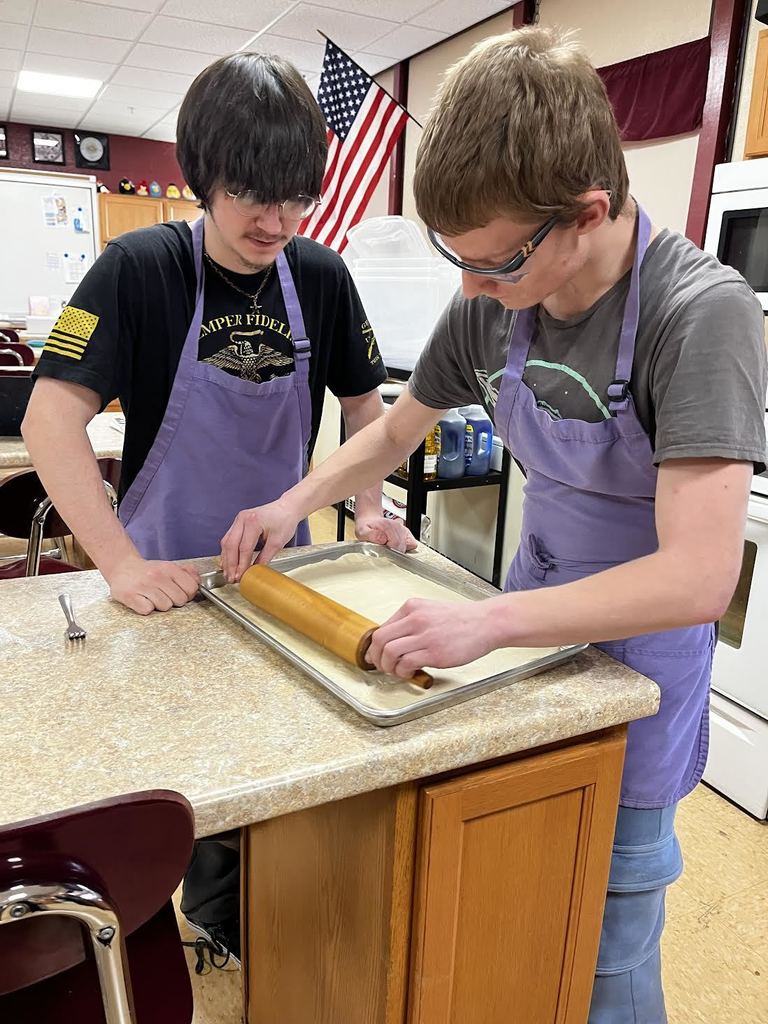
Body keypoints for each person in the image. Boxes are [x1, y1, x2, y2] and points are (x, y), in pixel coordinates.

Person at [216, 27, 767, 1021]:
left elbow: (698, 576)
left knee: (607, 935)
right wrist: (289, 503)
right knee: (518, 903)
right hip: (523, 631)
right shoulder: (494, 301)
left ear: (586, 214)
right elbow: (393, 435)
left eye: (495, 263)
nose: (470, 290)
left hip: (635, 666)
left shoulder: (699, 313)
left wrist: (487, 621)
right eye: (455, 259)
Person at [23, 53, 414, 964]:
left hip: (278, 578)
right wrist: (120, 563)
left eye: (295, 199)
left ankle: (237, 925)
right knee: (169, 782)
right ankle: (163, 925)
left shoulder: (320, 275)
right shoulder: (138, 268)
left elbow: (367, 410)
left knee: (273, 765)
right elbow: (49, 421)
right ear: (202, 176)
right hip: (160, 581)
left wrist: (368, 509)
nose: (275, 222)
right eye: (250, 197)